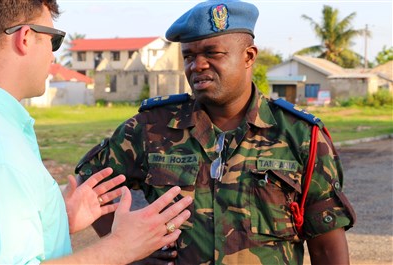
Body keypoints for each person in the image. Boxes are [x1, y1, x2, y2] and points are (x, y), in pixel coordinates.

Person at [0, 0, 192, 264]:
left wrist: (54, 220)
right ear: (25, 38)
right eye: (54, 41)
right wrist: (120, 248)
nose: (53, 56)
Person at [75, 0, 356, 264]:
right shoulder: (151, 128)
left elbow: (326, 239)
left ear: (248, 56)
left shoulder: (300, 136)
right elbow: (88, 185)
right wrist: (127, 251)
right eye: (189, 56)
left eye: (212, 53)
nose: (197, 65)